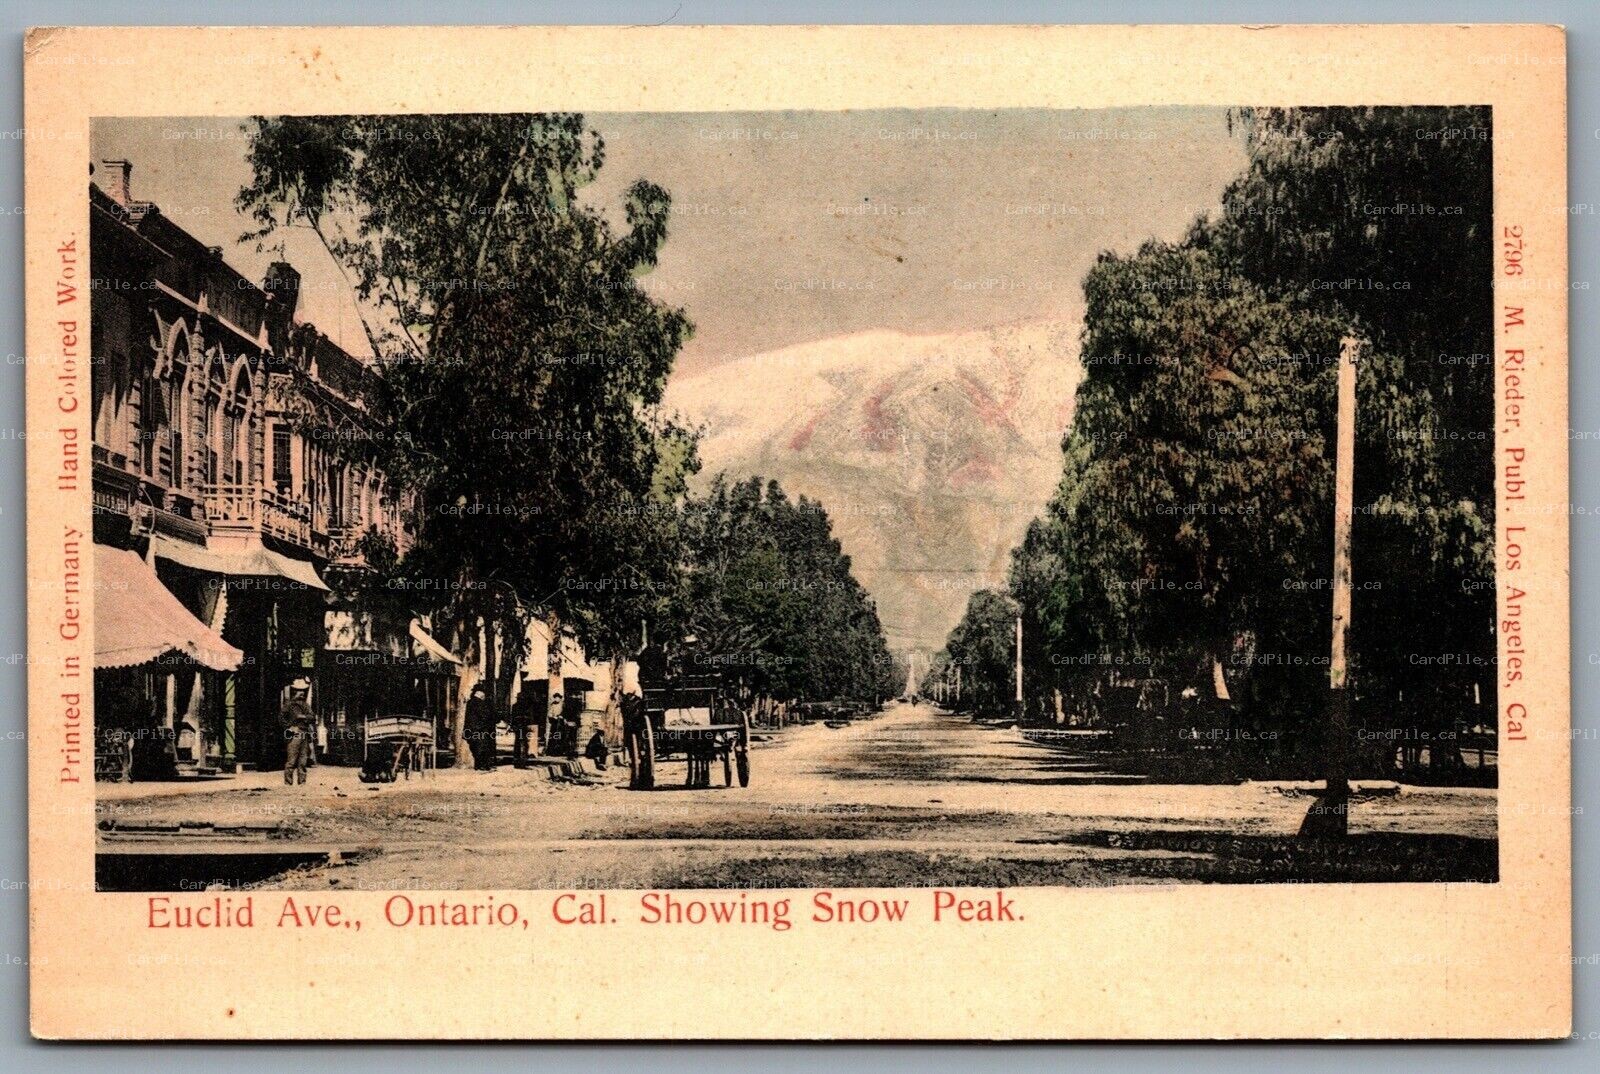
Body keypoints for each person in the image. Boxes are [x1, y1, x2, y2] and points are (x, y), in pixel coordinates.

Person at [280, 678, 315, 786]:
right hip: (294, 733)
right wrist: (289, 727)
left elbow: (312, 717)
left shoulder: (306, 705)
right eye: (300, 691)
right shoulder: (288, 705)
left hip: (304, 733)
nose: (302, 693)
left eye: (303, 691)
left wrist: (303, 717)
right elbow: (281, 718)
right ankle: (288, 783)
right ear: (294, 691)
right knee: (291, 760)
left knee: (303, 760)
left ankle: (302, 782)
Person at [509, 677, 545, 768]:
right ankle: (521, 762)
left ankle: (517, 761)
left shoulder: (515, 706)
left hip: (517, 727)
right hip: (523, 726)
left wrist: (513, 725)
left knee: (518, 744)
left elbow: (513, 717)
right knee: (523, 744)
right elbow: (527, 717)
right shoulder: (525, 707)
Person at [465, 684, 495, 770]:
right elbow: (485, 716)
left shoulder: (470, 702)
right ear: (481, 693)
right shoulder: (480, 703)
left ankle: (477, 765)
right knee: (482, 747)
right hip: (480, 729)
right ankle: (482, 765)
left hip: (470, 729)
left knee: (474, 747)